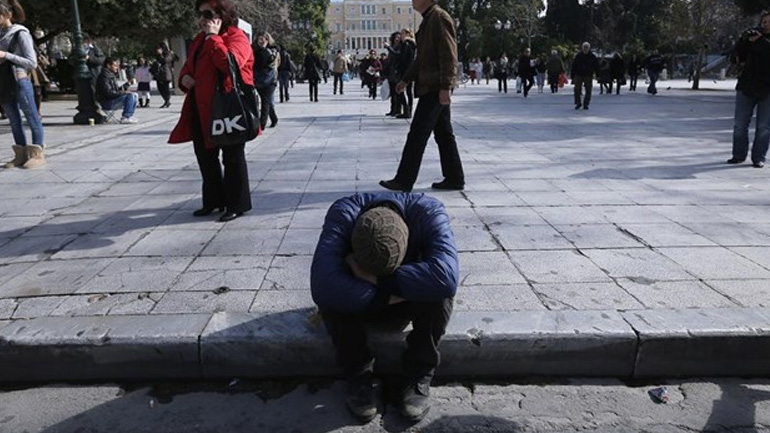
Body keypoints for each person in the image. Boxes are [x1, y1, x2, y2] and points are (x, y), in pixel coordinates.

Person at [311, 192, 458, 423]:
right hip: (364, 297)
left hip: (403, 294)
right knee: (332, 296)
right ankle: (358, 374)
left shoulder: (429, 212)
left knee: (439, 293)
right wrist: (382, 293)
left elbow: (446, 278)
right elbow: (322, 284)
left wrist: (376, 280)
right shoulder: (343, 214)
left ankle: (419, 373)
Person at [168, 0, 254, 222]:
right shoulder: (199, 40)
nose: (202, 20)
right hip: (200, 108)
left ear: (221, 15)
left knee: (232, 157)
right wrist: (184, 79)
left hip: (226, 107)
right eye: (201, 15)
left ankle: (236, 204)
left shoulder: (236, 37)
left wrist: (214, 38)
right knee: (206, 157)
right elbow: (188, 68)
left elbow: (230, 64)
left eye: (207, 14)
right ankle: (213, 201)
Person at [379, 0, 465, 193]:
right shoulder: (428, 20)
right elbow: (421, 59)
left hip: (435, 87)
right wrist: (405, 80)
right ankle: (454, 177)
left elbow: (449, 55)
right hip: (431, 86)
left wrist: (446, 86)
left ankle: (404, 180)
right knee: (444, 134)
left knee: (417, 134)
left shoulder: (439, 18)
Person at [0, 0, 45, 169]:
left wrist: (6, 55)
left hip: (19, 80)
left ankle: (36, 153)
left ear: (8, 15)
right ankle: (20, 154)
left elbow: (31, 62)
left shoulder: (20, 33)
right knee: (13, 119)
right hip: (3, 82)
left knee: (31, 116)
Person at [727, 11, 770, 168]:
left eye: (769, 22)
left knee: (764, 127)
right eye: (764, 21)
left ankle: (759, 157)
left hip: (767, 89)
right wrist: (743, 41)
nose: (765, 24)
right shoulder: (753, 37)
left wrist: (762, 41)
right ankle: (738, 155)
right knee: (740, 124)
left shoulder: (762, 40)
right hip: (747, 85)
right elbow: (736, 57)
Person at [96, 57, 139, 124]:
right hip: (106, 102)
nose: (117, 67)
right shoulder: (104, 76)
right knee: (129, 96)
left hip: (112, 99)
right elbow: (108, 92)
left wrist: (127, 84)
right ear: (108, 65)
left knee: (135, 95)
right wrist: (123, 93)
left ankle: (129, 115)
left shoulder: (111, 75)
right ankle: (125, 117)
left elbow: (116, 90)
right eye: (115, 65)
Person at [253, 31, 279, 129]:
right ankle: (274, 119)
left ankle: (261, 124)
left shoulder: (272, 51)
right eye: (260, 39)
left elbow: (266, 62)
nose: (262, 41)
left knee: (265, 101)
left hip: (270, 79)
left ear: (268, 40)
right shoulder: (254, 50)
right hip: (259, 80)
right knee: (267, 101)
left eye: (264, 39)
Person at [395, 28, 416, 119]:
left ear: (407, 34)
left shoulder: (406, 44)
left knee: (401, 90)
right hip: (409, 69)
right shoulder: (411, 44)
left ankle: (407, 110)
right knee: (408, 91)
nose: (401, 35)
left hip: (405, 70)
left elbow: (402, 58)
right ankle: (408, 110)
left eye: (402, 33)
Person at [571, 41, 598, 110]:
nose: (585, 49)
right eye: (584, 47)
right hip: (579, 74)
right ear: (582, 48)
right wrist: (572, 76)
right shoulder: (578, 56)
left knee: (588, 90)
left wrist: (598, 74)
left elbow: (596, 66)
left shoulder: (592, 56)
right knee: (576, 89)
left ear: (589, 48)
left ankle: (586, 103)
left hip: (588, 75)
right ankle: (578, 103)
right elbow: (574, 66)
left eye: (587, 48)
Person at [154, 43, 174, 108]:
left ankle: (167, 101)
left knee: (165, 88)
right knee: (160, 88)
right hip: (159, 74)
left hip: (165, 73)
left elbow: (165, 60)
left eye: (159, 48)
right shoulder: (158, 55)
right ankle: (166, 101)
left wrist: (160, 54)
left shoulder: (168, 54)